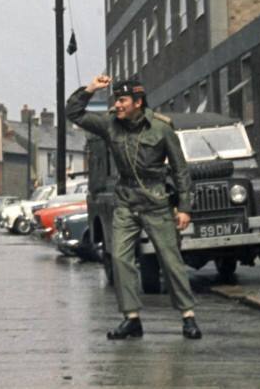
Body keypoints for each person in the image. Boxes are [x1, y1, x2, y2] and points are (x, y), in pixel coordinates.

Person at [66, 74, 201, 341]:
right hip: (126, 202)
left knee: (170, 260)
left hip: (156, 202)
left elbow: (180, 169)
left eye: (123, 100)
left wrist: (184, 207)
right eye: (116, 100)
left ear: (138, 102)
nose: (117, 105)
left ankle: (188, 316)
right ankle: (131, 319)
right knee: (119, 258)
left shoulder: (161, 129)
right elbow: (74, 113)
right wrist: (91, 89)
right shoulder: (110, 125)